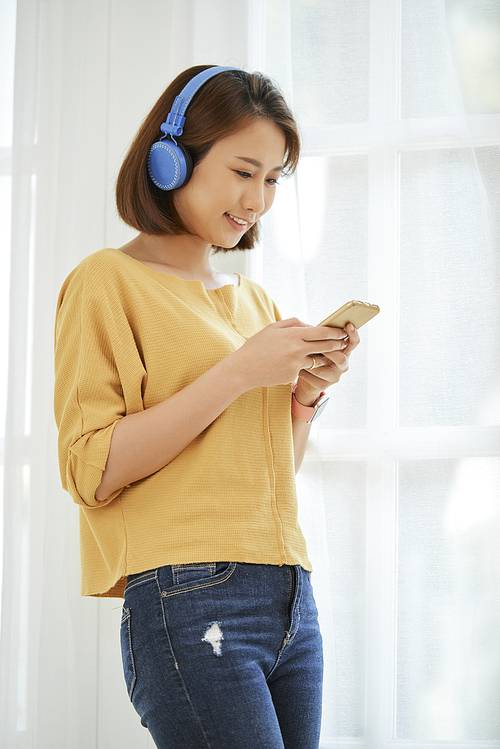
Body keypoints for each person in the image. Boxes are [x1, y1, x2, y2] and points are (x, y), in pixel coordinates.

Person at [54, 64, 360, 749]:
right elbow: (89, 470)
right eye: (244, 170)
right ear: (171, 160)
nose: (258, 199)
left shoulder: (254, 304)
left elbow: (268, 471)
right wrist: (236, 372)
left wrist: (305, 396)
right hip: (191, 596)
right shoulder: (106, 281)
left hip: (288, 593)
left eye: (275, 178)